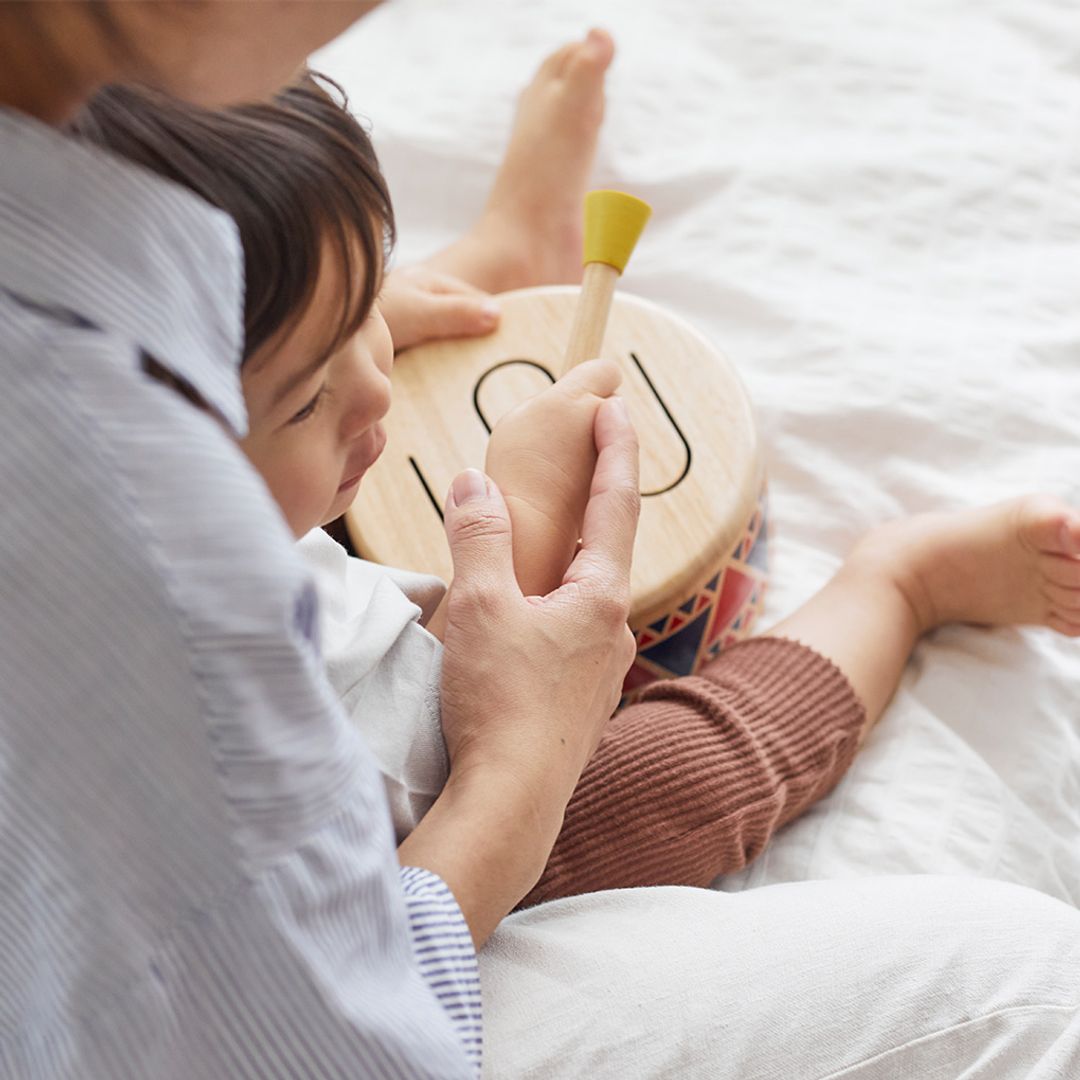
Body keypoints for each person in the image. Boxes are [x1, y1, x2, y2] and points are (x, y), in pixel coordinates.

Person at [4, 5, 1080, 1079]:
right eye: (306, 397)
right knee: (672, 785)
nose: (378, 387)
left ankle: (480, 267)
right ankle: (902, 585)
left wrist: (338, 329)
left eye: (370, 307)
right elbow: (430, 774)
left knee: (316, 360)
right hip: (407, 857)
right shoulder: (156, 607)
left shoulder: (88, 291)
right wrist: (518, 621)